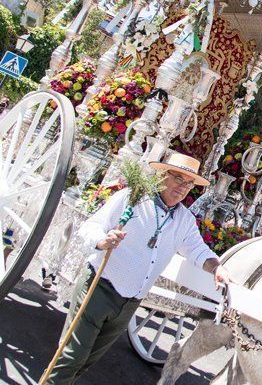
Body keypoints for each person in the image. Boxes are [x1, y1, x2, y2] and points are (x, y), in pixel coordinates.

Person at [46, 152, 233, 384]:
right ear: (162, 175)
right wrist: (103, 241)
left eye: (189, 183)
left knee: (87, 361)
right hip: (99, 288)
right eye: (177, 178)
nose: (183, 187)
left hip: (130, 302)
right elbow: (92, 226)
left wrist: (216, 268)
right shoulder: (133, 198)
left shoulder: (184, 220)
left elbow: (197, 250)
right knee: (71, 357)